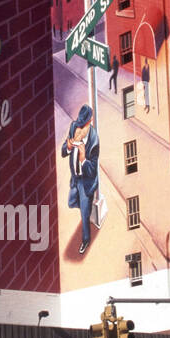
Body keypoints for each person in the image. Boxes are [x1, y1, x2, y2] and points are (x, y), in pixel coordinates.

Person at [61, 103, 99, 256]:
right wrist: (69, 147)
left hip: (86, 181)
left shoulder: (94, 140)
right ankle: (86, 208)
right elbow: (64, 151)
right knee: (70, 202)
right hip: (75, 178)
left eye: (82, 125)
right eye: (79, 124)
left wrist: (83, 159)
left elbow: (92, 170)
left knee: (84, 214)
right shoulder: (73, 127)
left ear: (89, 123)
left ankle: (85, 240)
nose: (79, 129)